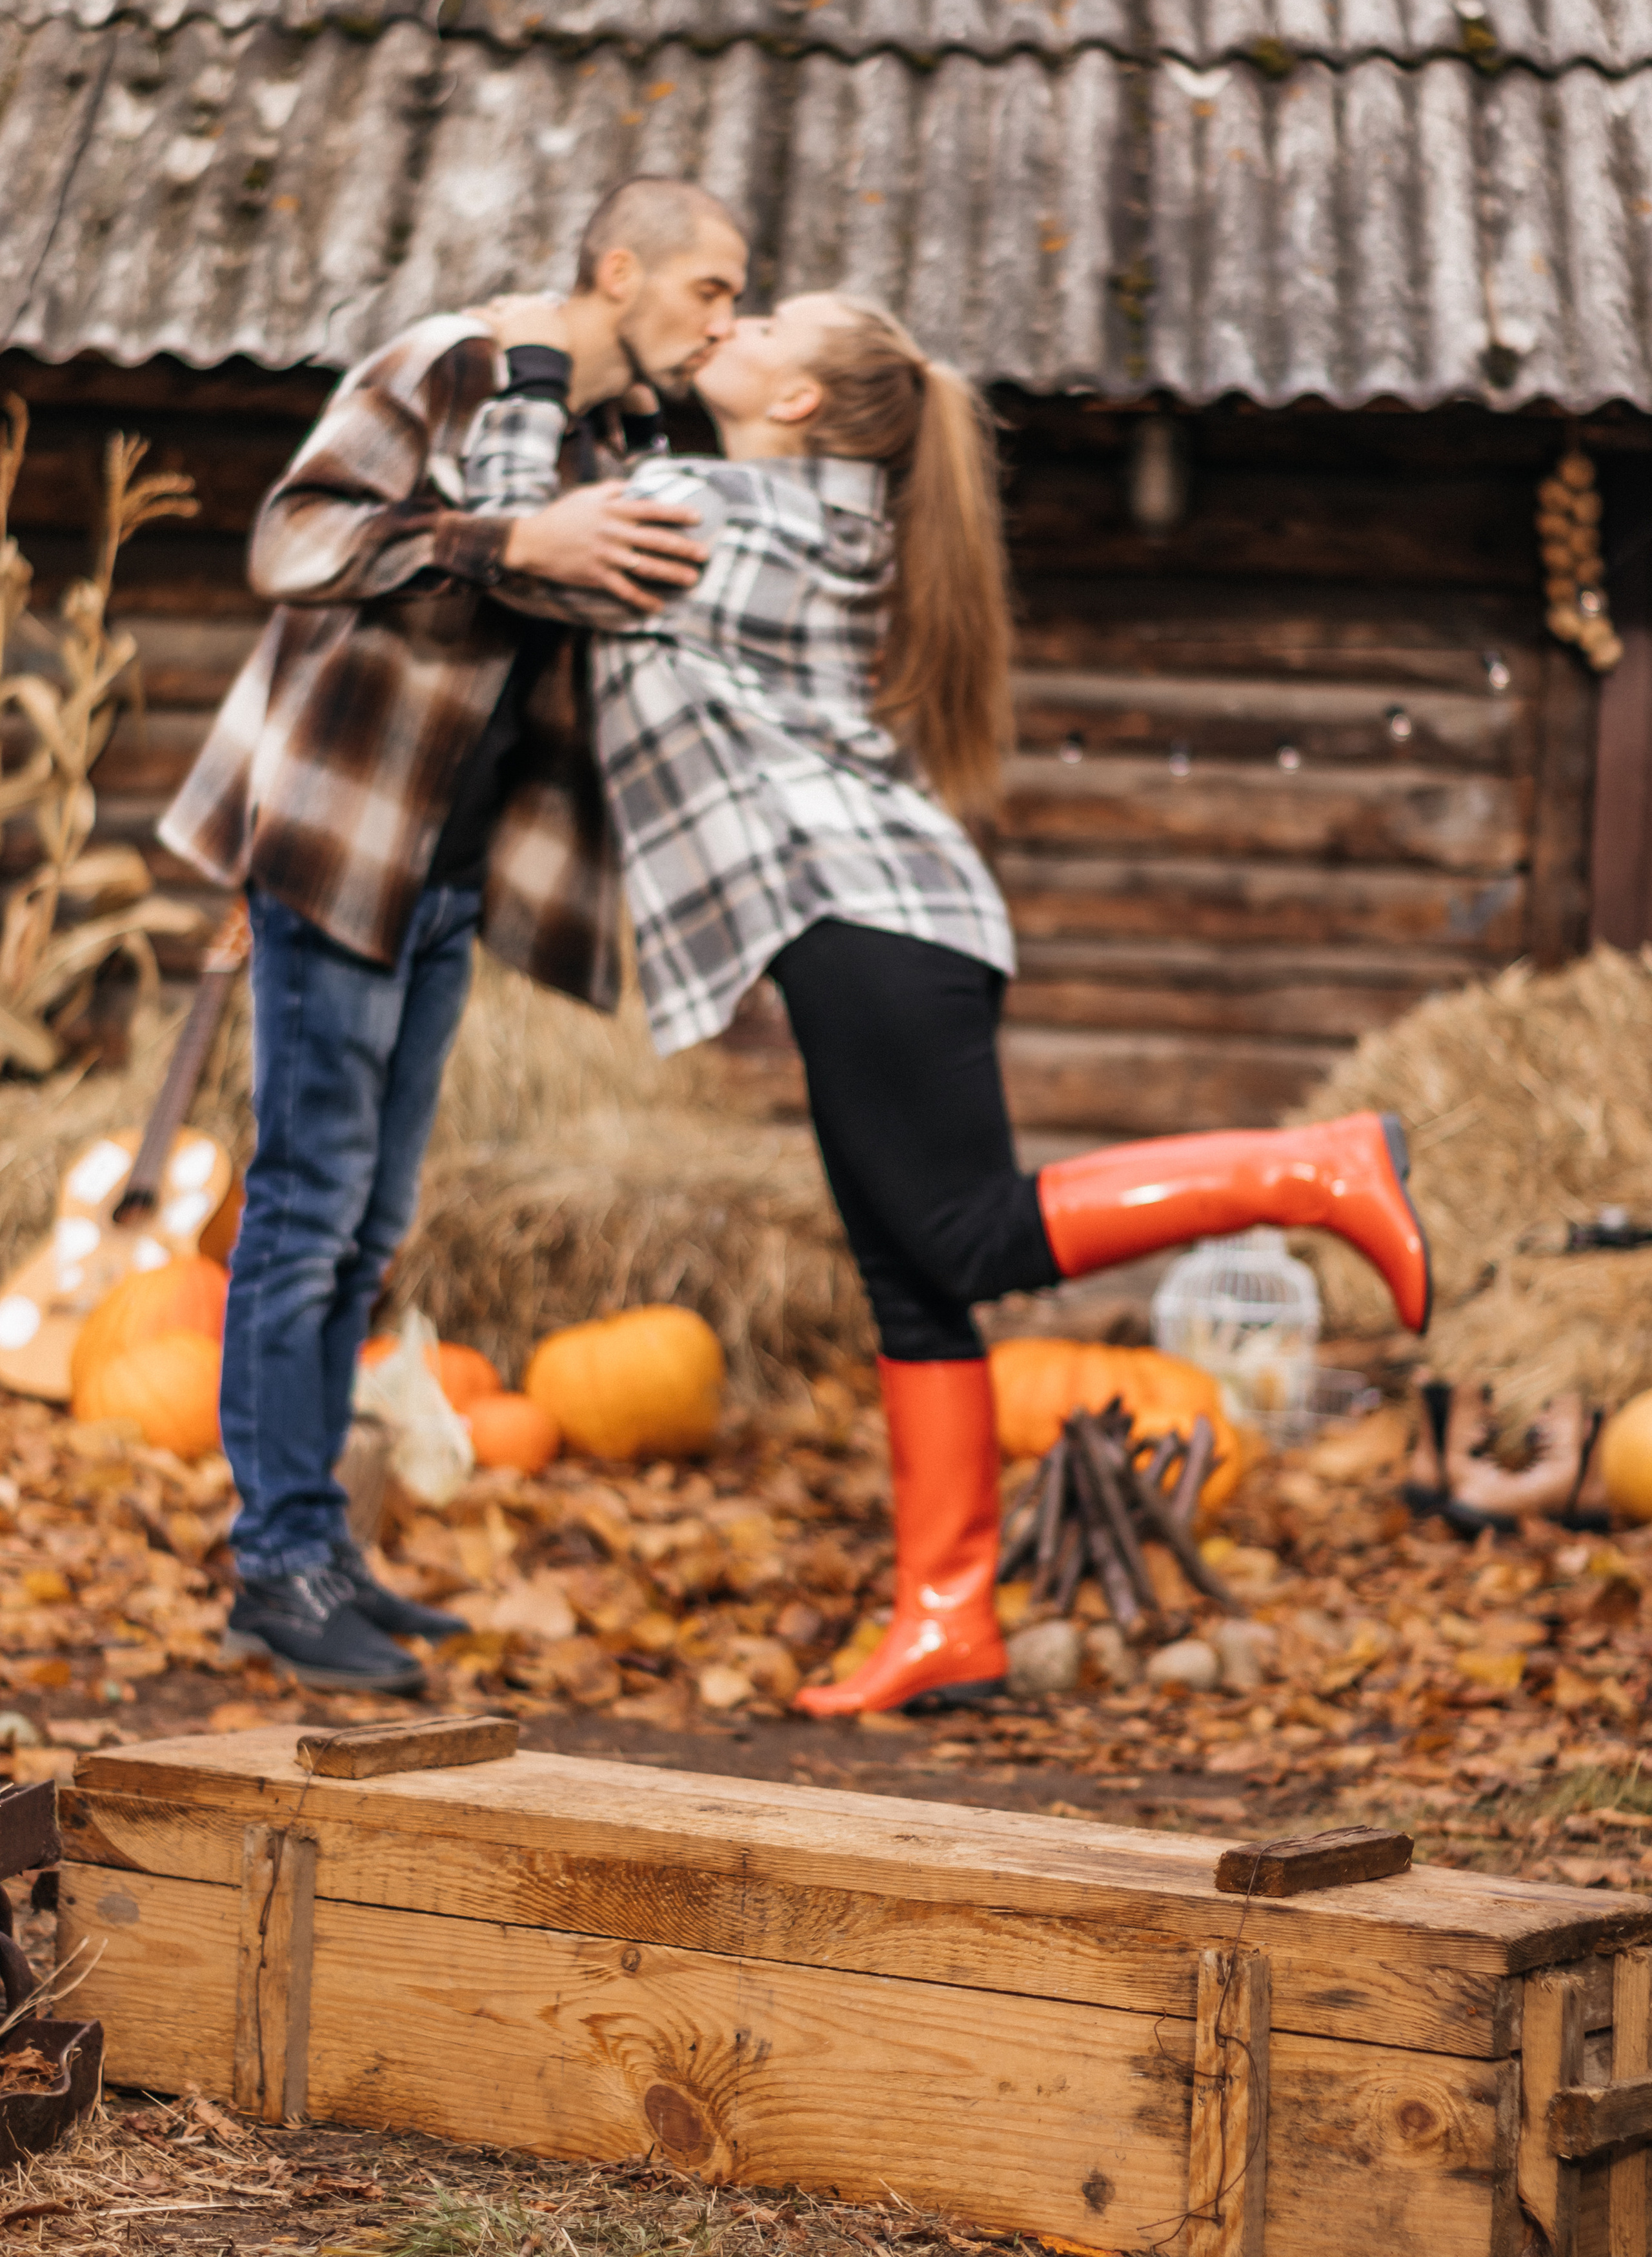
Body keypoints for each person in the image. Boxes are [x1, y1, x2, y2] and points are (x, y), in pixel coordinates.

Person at [476, 292, 1431, 1719]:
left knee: (957, 1238)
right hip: (882, 922)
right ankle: (948, 1618)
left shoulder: (704, 510)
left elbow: (520, 552)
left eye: (766, 324)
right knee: (912, 1280)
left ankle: (1309, 1168)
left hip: (870, 925)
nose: (731, 324)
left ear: (795, 403)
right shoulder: (817, 508)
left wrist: (529, 370)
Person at [159, 178, 750, 1694]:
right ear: (617, 269)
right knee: (305, 1208)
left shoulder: (613, 441)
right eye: (710, 290)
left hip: (442, 878)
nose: (723, 320)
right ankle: (275, 1566)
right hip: (338, 851)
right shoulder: (448, 362)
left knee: (370, 1222)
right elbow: (296, 541)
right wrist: (508, 541)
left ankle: (321, 1547)